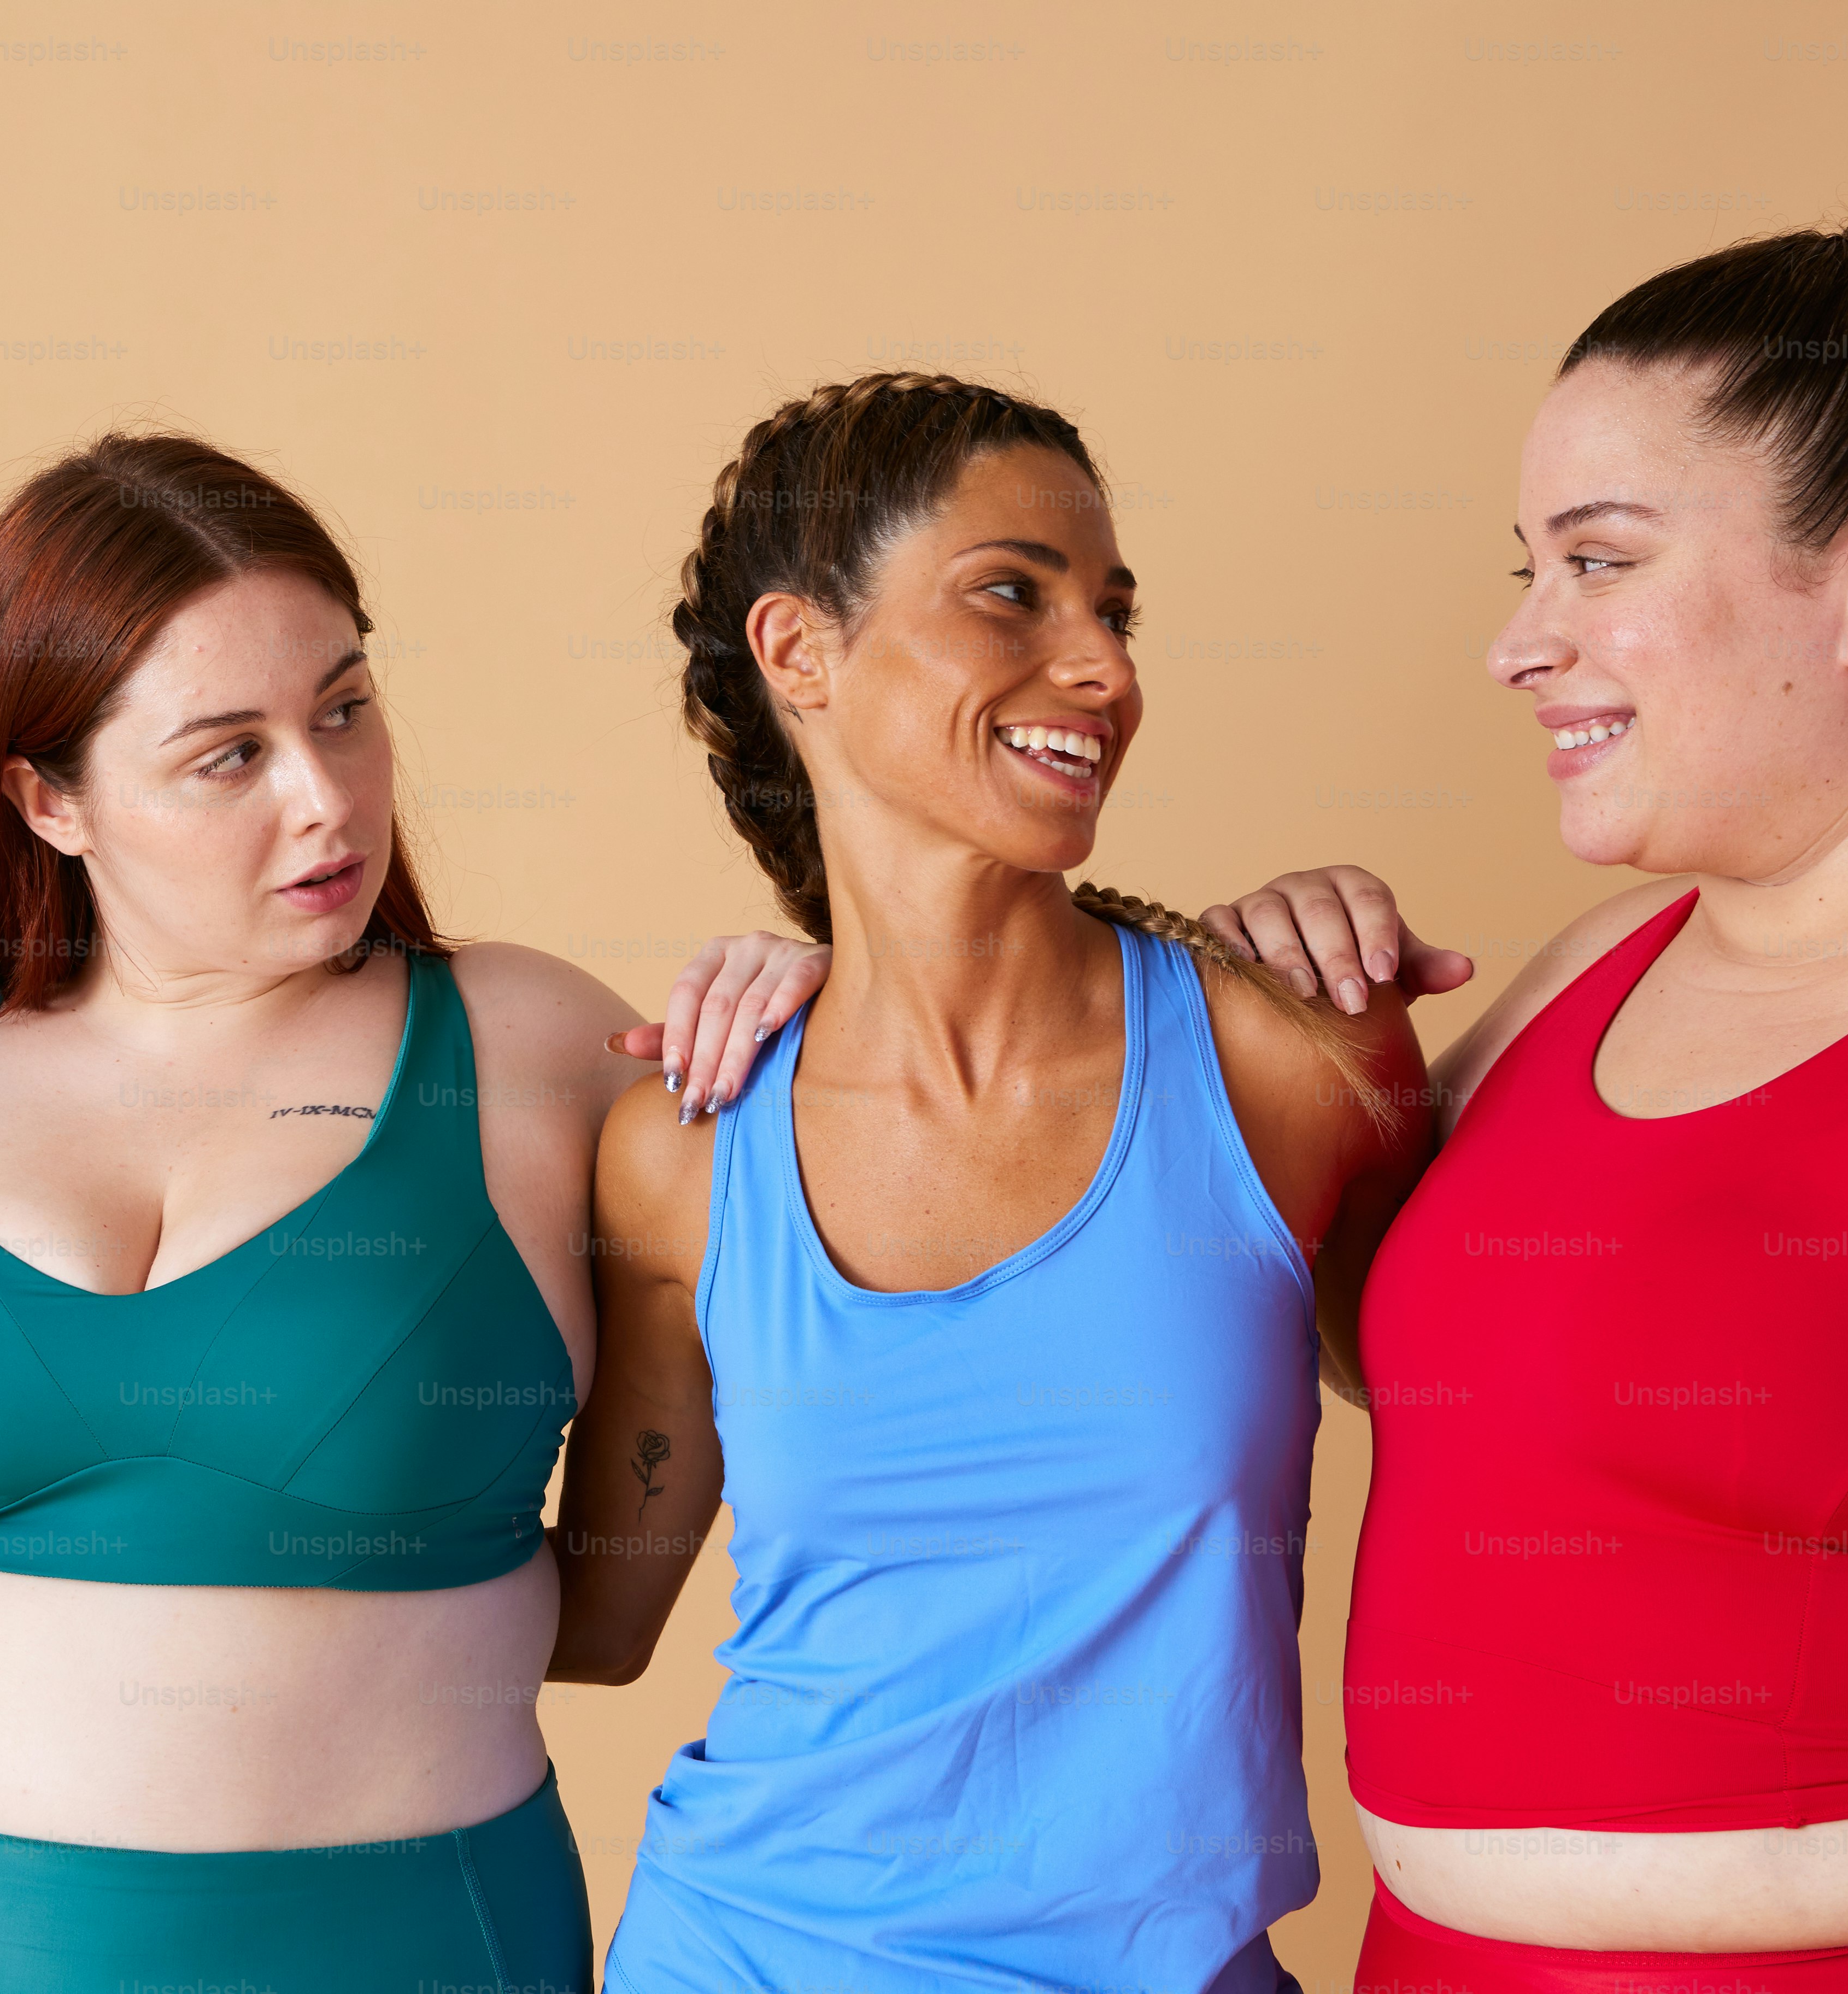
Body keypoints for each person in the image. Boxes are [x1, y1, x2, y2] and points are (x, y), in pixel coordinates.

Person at [0, 432, 821, 1993]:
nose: (326, 796)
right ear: (50, 800)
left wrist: (823, 1014)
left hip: (399, 1947)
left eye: (346, 708)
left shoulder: (542, 1053)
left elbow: (885, 1265)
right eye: (229, 752)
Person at [548, 372, 1433, 1994]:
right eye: (1011, 594)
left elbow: (1523, 1440)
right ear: (800, 654)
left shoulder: (1286, 1065)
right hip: (741, 1953)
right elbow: (594, 1627)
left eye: (1114, 610)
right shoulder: (685, 1145)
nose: (1102, 668)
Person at [1214, 178, 1848, 1985]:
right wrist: (1289, 1036)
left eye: (1602, 559)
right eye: (1528, 568)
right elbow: (1401, 1343)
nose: (1520, 641)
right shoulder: (1595, 970)